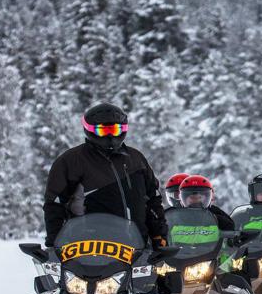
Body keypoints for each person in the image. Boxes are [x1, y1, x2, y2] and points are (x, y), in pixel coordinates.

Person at [43, 103, 170, 248]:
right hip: (88, 250)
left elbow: (153, 199)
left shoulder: (136, 159)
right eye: (103, 131)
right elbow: (54, 205)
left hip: (137, 248)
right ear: (90, 130)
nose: (110, 135)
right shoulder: (71, 161)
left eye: (115, 130)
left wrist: (159, 235)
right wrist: (54, 244)